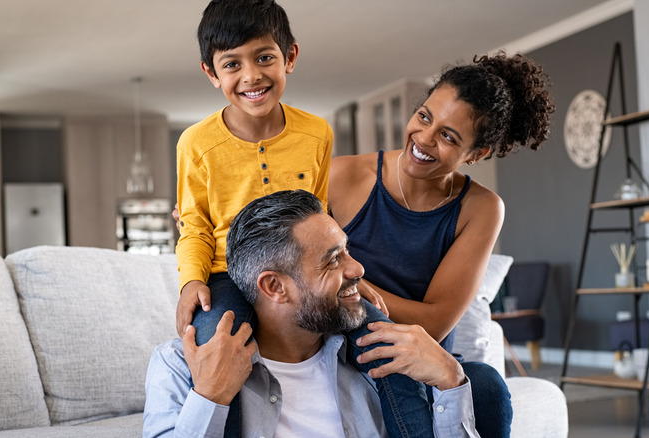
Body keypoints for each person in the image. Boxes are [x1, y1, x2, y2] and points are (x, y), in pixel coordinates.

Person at [174, 1, 430, 436]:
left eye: (264, 57)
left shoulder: (317, 133)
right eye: (232, 64)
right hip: (225, 274)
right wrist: (190, 281)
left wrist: (347, 277)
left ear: (290, 57)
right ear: (211, 73)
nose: (251, 75)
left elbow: (320, 217)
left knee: (385, 337)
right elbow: (195, 225)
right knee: (218, 349)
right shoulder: (195, 144)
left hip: (305, 275)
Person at [328, 52, 555, 437]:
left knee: (486, 386)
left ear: (477, 154)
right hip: (343, 339)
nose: (424, 139)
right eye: (424, 117)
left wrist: (354, 286)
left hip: (426, 352)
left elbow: (433, 322)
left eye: (448, 137)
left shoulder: (481, 208)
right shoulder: (342, 175)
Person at [145, 189, 480, 438]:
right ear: (274, 287)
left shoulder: (382, 362)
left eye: (347, 251)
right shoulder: (178, 366)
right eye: (332, 260)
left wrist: (451, 379)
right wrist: (210, 397)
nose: (358, 269)